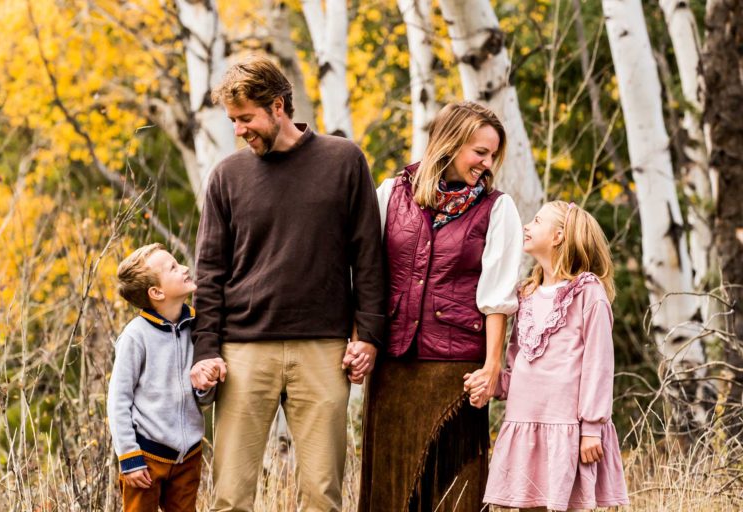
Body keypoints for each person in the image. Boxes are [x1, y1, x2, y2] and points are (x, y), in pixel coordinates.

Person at [189, 56, 385, 512]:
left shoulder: (344, 159)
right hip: (242, 352)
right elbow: (210, 273)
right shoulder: (227, 177)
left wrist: (370, 335)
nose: (239, 130)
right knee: (230, 497)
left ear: (278, 106)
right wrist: (206, 349)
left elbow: (369, 256)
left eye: (246, 118)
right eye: (233, 121)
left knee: (322, 493)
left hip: (323, 350)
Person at [358, 101, 524, 511]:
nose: (486, 164)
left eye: (492, 156)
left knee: (455, 493)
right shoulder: (390, 194)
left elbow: (497, 297)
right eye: (479, 152)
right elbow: (366, 276)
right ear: (450, 144)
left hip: (457, 372)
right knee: (389, 492)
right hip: (393, 367)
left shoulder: (497, 209)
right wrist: (360, 340)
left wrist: (490, 368)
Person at [473, 201, 630, 511]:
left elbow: (598, 365)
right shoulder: (526, 294)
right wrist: (494, 385)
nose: (527, 227)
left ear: (558, 236)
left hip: (567, 432)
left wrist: (592, 430)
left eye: (536, 221)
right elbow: (517, 359)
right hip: (525, 424)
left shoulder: (588, 293)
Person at [107, 243, 217, 512]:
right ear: (156, 292)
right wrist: (129, 457)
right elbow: (118, 400)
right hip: (146, 457)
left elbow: (202, 395)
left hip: (188, 455)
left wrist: (204, 387)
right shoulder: (136, 336)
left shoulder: (197, 326)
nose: (185, 268)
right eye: (173, 268)